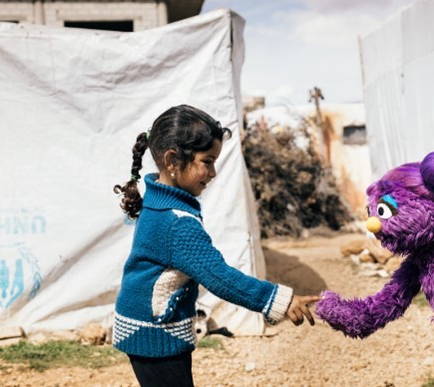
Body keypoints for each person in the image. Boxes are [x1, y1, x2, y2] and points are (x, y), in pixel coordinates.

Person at [113, 104, 321, 386]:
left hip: (146, 328)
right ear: (172, 160)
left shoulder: (159, 201)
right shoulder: (177, 223)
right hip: (154, 333)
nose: (213, 173)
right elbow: (219, 277)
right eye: (207, 161)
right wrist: (279, 301)